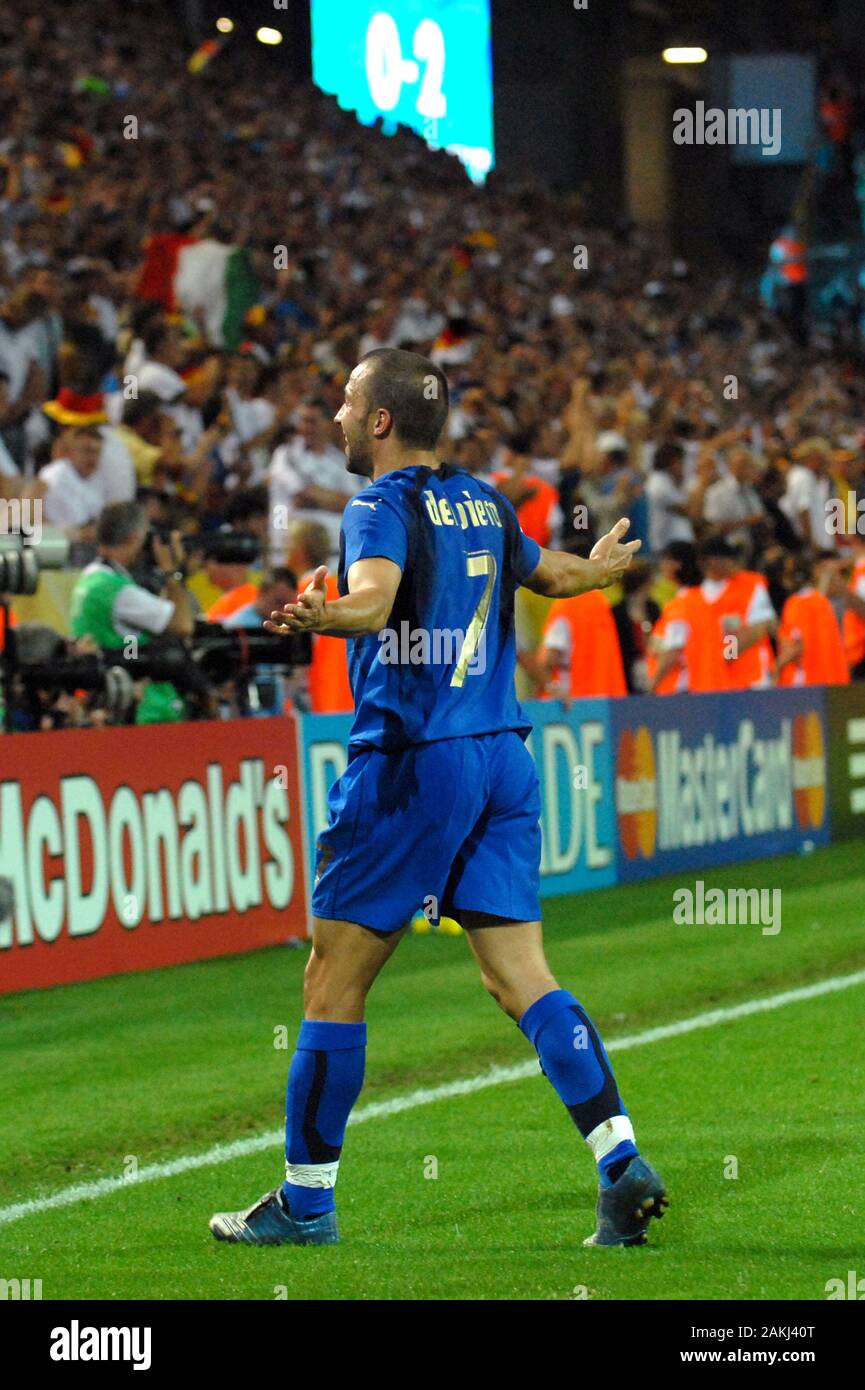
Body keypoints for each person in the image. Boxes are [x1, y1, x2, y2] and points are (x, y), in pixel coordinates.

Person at [210, 348, 667, 1251]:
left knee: (332, 982)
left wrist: (321, 614)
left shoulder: (378, 505)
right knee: (521, 978)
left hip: (413, 765)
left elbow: (373, 603)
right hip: (502, 756)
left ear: (380, 421)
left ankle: (306, 1205)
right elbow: (557, 577)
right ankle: (619, 1162)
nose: (336, 415)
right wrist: (605, 569)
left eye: (345, 401)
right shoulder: (485, 499)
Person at [69, 500, 196, 724]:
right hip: (146, 712)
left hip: (114, 699)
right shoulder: (118, 590)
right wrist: (173, 572)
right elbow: (183, 625)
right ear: (134, 538)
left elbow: (158, 617)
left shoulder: (92, 578)